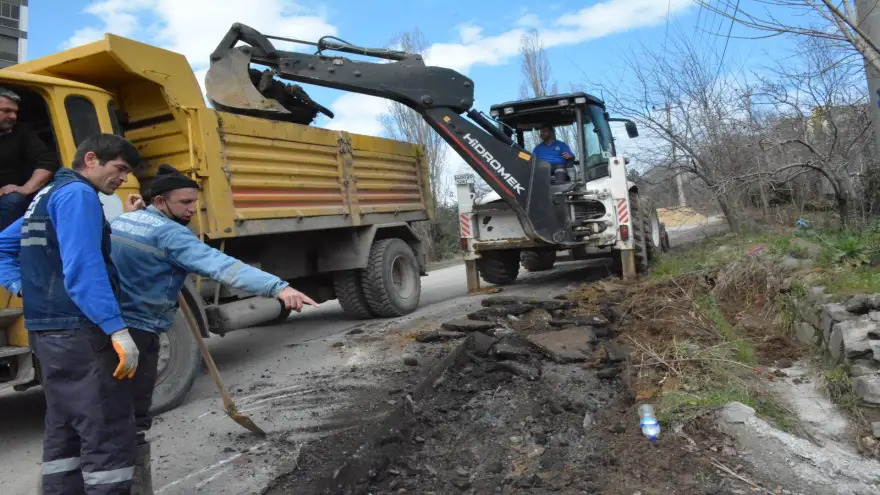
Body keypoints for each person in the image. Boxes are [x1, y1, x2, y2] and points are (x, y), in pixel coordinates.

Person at [110, 164, 317, 492]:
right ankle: (129, 484)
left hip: (111, 326)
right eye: (185, 203)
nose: (192, 209)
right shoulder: (171, 234)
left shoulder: (126, 218)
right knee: (132, 416)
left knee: (111, 407)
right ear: (161, 202)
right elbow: (222, 266)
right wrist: (278, 287)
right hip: (141, 329)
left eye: (195, 202)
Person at [0, 133, 142, 495]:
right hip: (80, 331)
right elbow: (84, 268)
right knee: (106, 427)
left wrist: (28, 288)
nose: (123, 179)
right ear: (91, 159)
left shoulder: (45, 196)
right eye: (120, 169)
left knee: (64, 427)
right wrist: (116, 329)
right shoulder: (78, 195)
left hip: (49, 333)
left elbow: (3, 246)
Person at [0, 87, 60, 229]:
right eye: (7, 110)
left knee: (14, 200)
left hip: (7, 199)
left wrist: (26, 188)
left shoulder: (22, 132)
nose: (13, 116)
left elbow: (47, 161)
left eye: (15, 112)